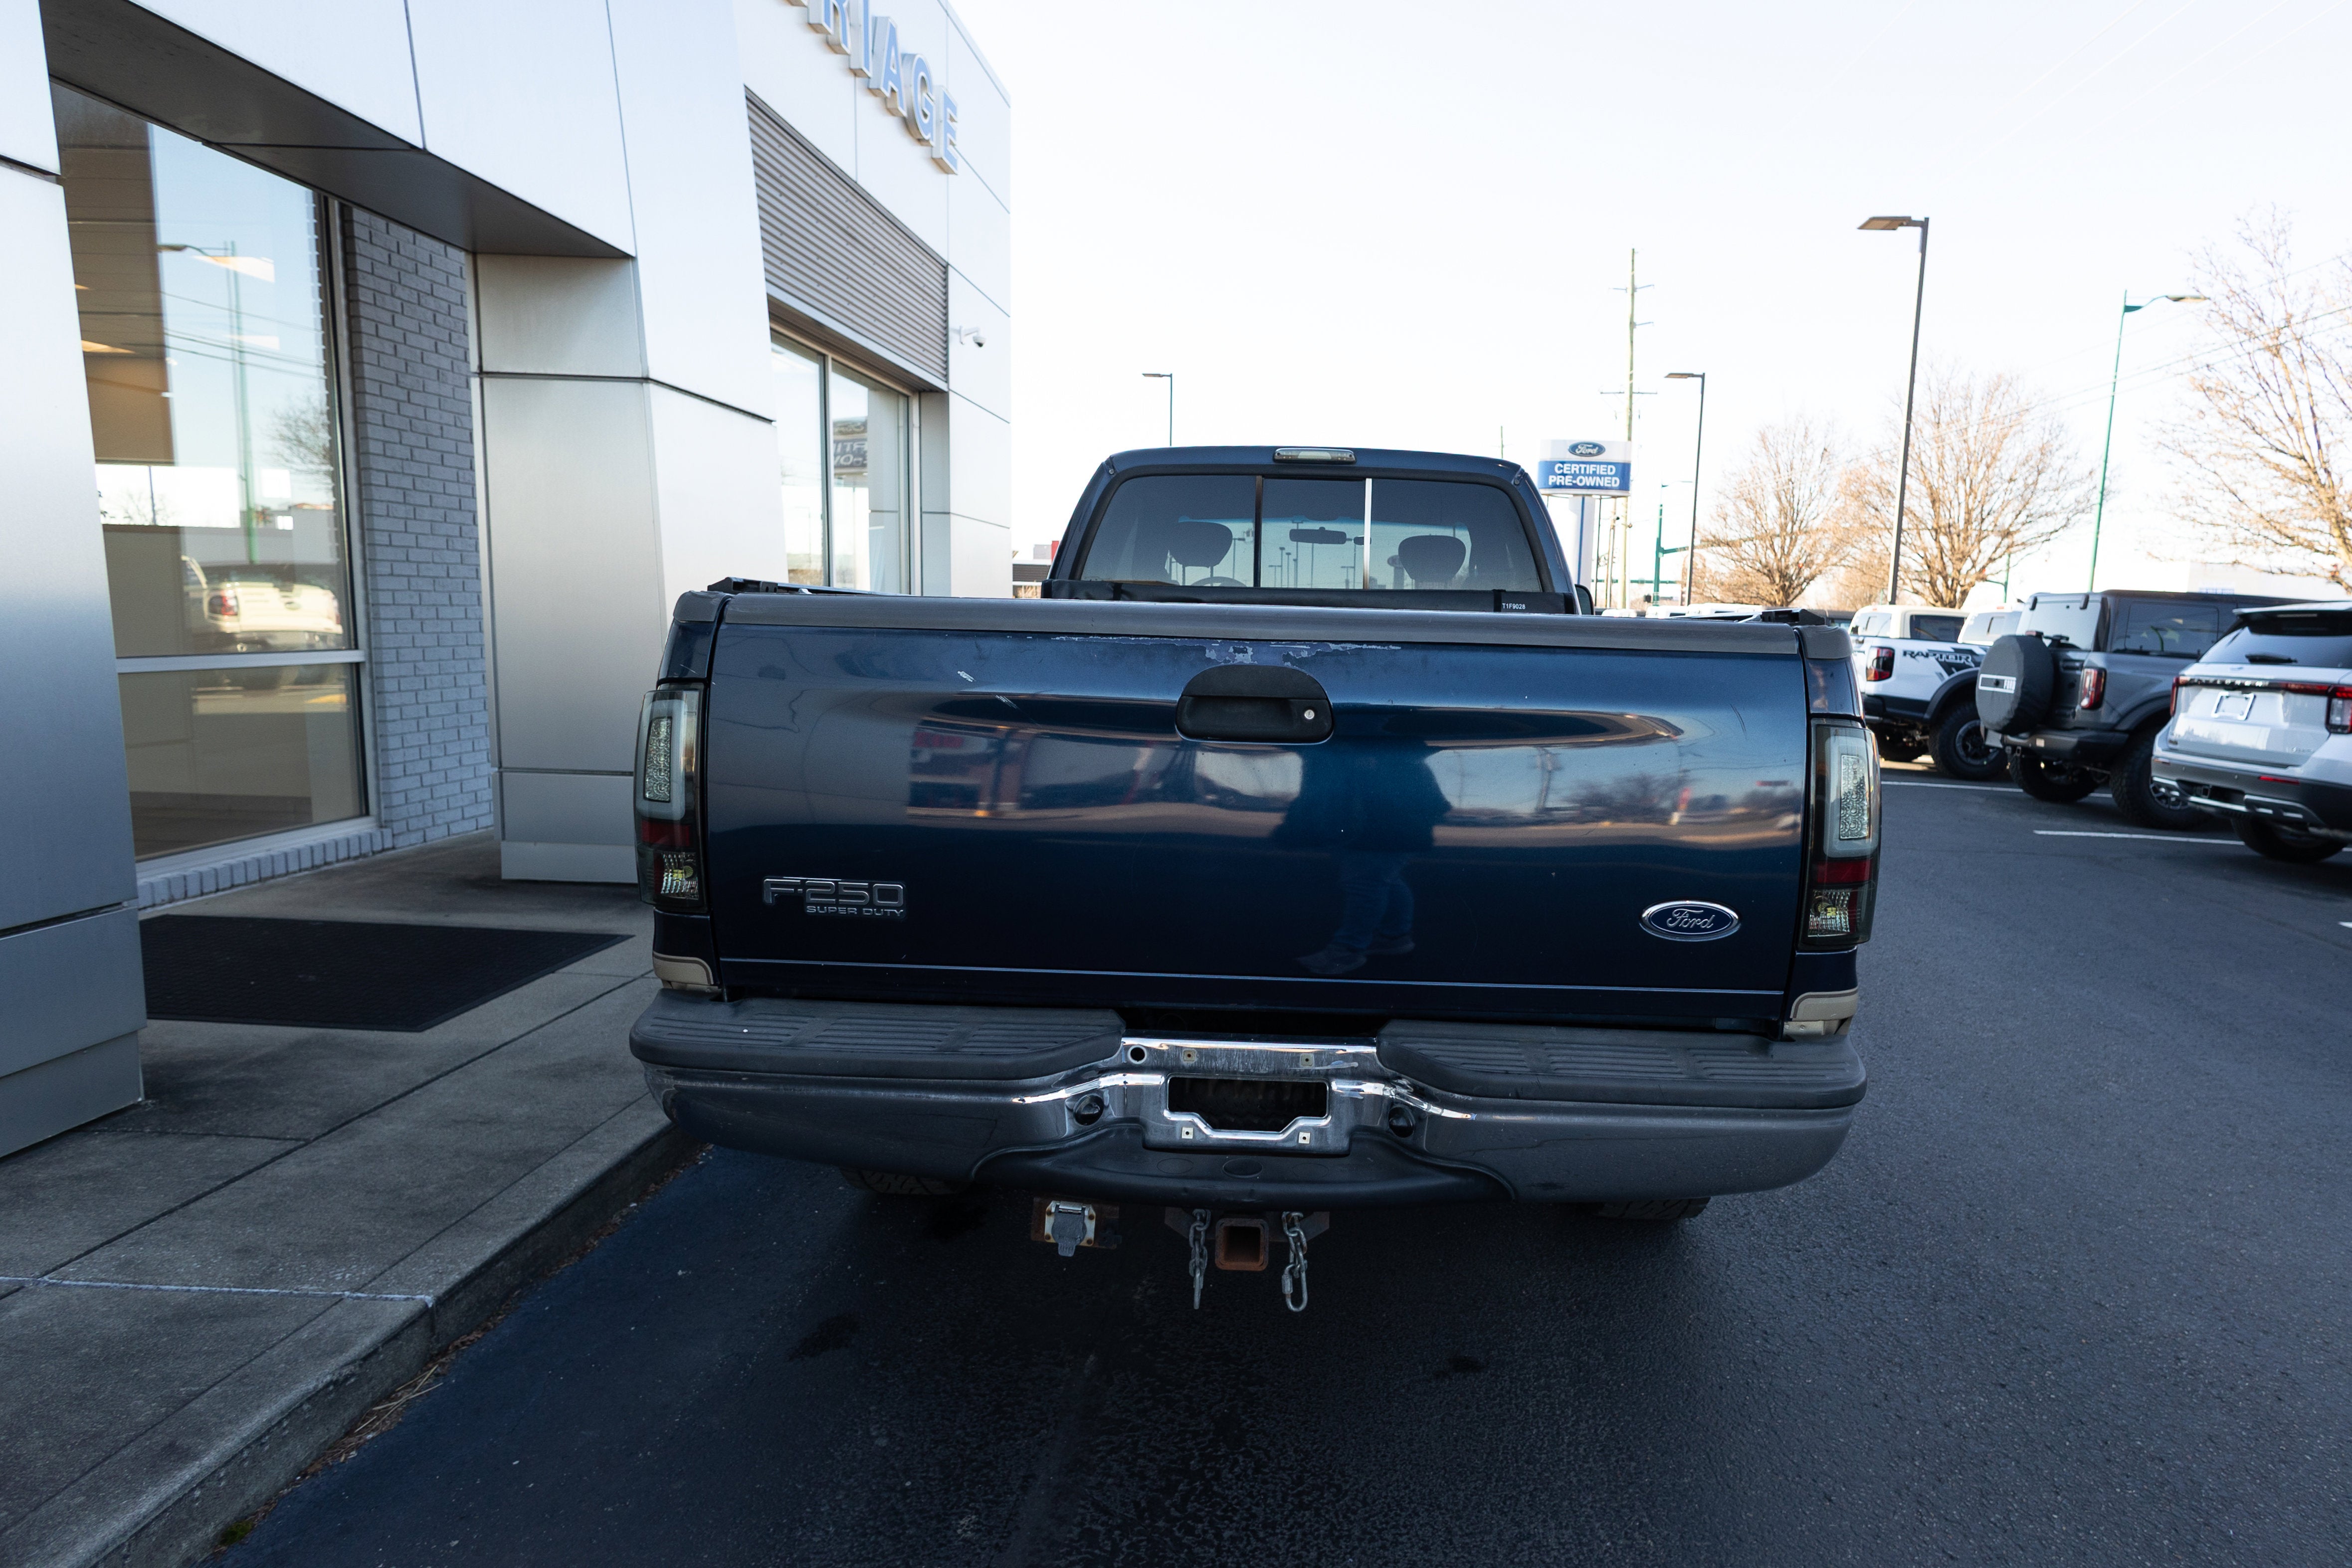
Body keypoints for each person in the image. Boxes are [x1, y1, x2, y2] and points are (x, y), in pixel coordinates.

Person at [1273, 731, 1451, 976]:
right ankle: (1395, 936)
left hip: (1377, 833)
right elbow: (1437, 805)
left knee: (1366, 884)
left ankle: (1348, 950)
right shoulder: (1402, 758)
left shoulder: (1370, 754)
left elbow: (1326, 794)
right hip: (1391, 832)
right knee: (1383, 881)